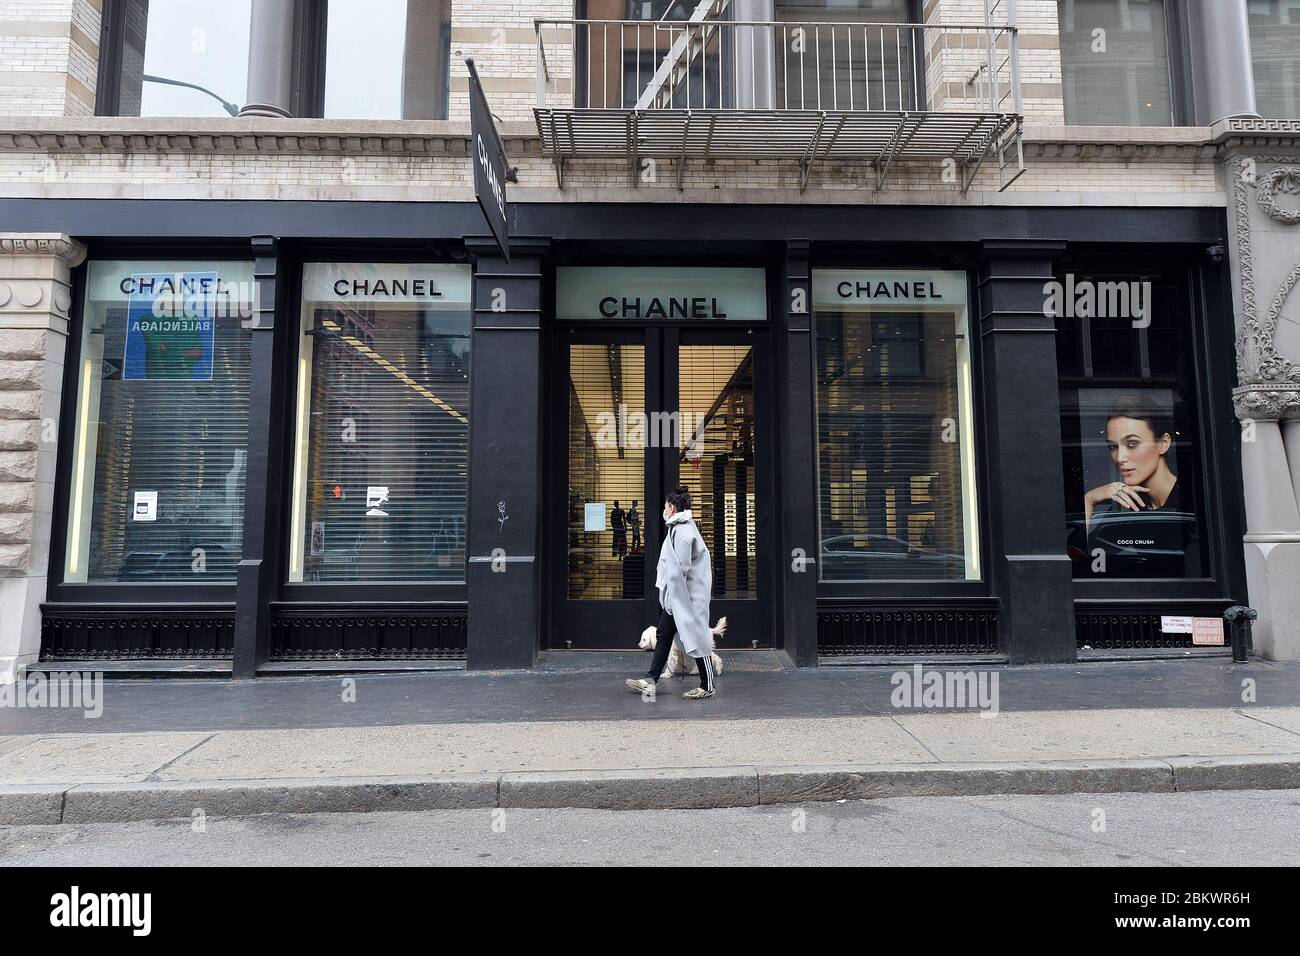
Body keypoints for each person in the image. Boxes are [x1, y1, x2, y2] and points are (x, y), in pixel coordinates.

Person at [626, 485, 717, 700]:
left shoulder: (683, 531)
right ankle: (650, 680)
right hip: (678, 598)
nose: (664, 509)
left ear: (673, 508)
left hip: (687, 599)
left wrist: (668, 599)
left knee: (698, 638)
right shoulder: (678, 527)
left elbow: (680, 570)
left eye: (666, 506)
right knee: (664, 634)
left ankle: (708, 685)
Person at [1083, 398, 1181, 532]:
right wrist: (1089, 500)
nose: (1119, 458)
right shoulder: (1126, 504)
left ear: (1163, 443)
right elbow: (1090, 551)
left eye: (1132, 444)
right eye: (1113, 446)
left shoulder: (1189, 498)